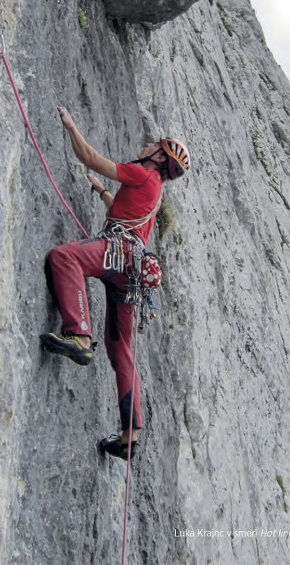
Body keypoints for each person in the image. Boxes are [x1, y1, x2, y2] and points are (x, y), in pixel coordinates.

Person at [40, 105, 190, 460]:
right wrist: (102, 193)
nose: (146, 144)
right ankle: (130, 436)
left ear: (157, 157)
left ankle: (77, 334)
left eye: (153, 145)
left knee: (65, 257)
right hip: (132, 268)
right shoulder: (154, 192)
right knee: (119, 348)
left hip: (117, 252)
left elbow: (90, 157)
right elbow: (128, 215)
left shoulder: (142, 174)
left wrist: (71, 125)